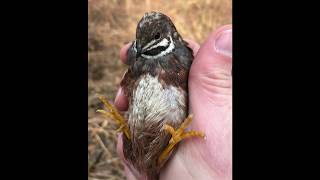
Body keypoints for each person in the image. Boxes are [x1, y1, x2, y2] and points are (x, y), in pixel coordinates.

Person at [114, 25, 232, 180]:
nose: (142, 47)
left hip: (169, 155)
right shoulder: (138, 54)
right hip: (142, 148)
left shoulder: (183, 59)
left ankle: (164, 151)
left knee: (162, 144)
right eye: (140, 41)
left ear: (168, 36)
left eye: (155, 38)